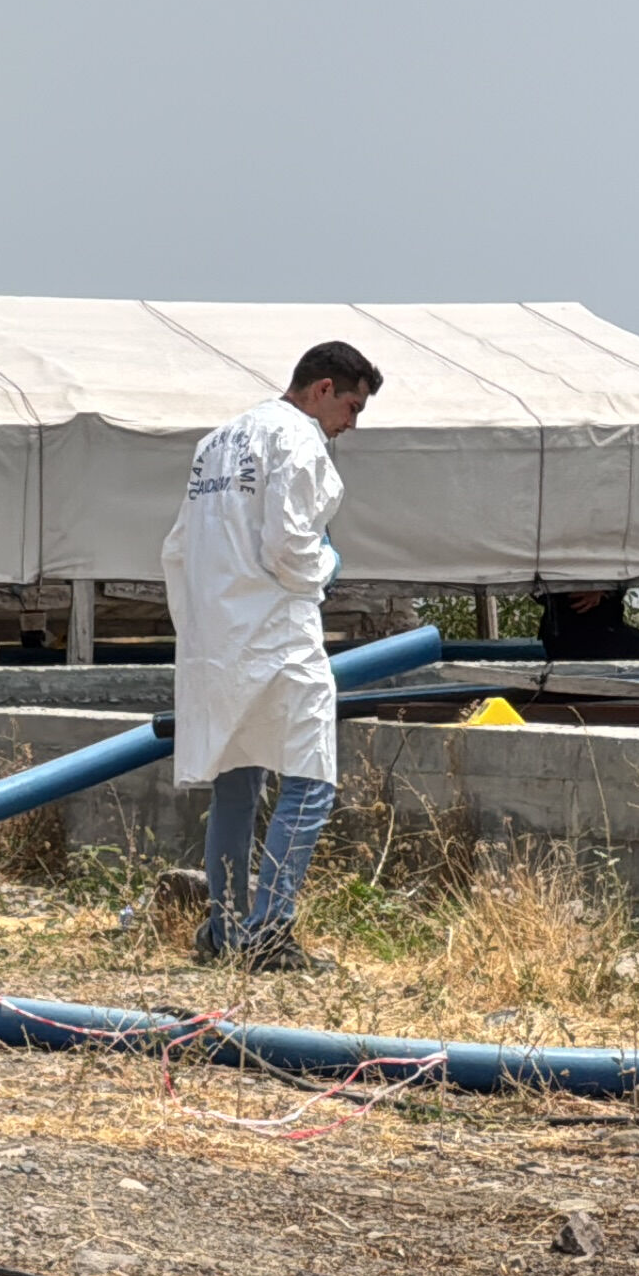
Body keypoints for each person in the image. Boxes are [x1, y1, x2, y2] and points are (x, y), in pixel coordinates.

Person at [162, 340, 383, 971]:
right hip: (276, 635)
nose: (351, 422)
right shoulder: (298, 440)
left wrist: (202, 622)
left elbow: (178, 548)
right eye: (351, 405)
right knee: (311, 781)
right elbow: (290, 546)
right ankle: (269, 931)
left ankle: (225, 930)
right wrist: (329, 565)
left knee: (238, 779)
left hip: (218, 639)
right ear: (321, 389)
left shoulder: (218, 443)